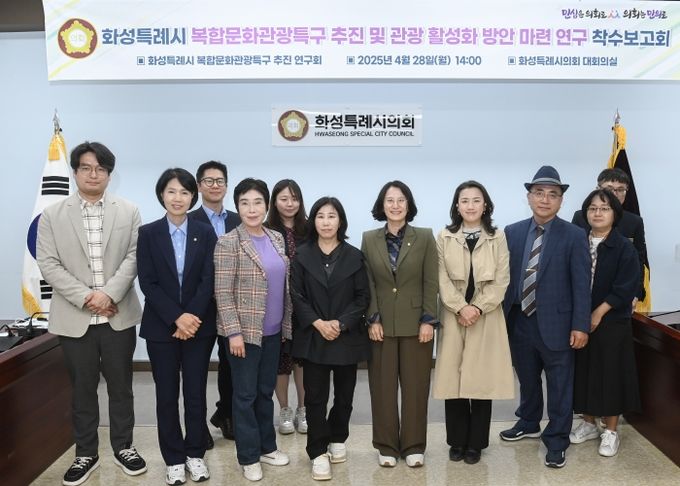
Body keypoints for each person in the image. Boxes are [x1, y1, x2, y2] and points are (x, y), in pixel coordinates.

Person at [37, 141, 147, 486]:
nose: (93, 174)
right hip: (75, 318)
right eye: (86, 167)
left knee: (121, 386)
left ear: (109, 174)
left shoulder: (128, 211)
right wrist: (88, 298)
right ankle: (85, 452)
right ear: (75, 172)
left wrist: (108, 294)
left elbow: (134, 257)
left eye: (100, 169)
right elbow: (48, 264)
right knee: (82, 389)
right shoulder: (52, 215)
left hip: (117, 315)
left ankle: (124, 446)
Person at [500, 165, 591, 469]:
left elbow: (581, 284)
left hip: (558, 324)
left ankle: (556, 439)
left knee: (560, 384)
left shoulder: (574, 235)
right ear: (529, 197)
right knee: (527, 378)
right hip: (519, 319)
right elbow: (504, 279)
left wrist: (580, 325)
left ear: (561, 201)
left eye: (553, 194)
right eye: (539, 193)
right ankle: (528, 422)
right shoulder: (512, 232)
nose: (545, 199)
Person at [137, 168, 217, 485]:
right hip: (161, 328)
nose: (178, 198)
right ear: (162, 195)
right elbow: (148, 282)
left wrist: (191, 317)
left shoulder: (205, 232)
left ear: (193, 196)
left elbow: (208, 279)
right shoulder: (148, 233)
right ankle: (173, 459)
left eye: (184, 192)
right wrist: (177, 318)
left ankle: (195, 454)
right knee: (167, 395)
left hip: (199, 327)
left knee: (195, 393)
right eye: (171, 191)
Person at [214, 178, 291, 482]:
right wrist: (233, 332)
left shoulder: (276, 237)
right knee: (245, 396)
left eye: (257, 202)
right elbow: (222, 292)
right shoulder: (228, 242)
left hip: (273, 331)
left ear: (267, 205)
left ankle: (267, 447)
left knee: (264, 393)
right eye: (244, 203)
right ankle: (248, 456)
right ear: (237, 206)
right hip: (243, 334)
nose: (251, 209)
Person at [432, 181, 514, 465]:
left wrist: (477, 307)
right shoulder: (444, 236)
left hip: (486, 315)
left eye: (476, 200)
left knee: (481, 380)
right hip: (453, 315)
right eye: (464, 200)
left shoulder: (497, 237)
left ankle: (476, 443)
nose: (470, 206)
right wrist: (460, 307)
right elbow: (441, 278)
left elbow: (502, 279)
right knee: (452, 379)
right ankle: (456, 441)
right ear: (457, 206)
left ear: (485, 205)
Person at [290, 197, 370, 481]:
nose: (326, 222)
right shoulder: (301, 255)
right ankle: (317, 451)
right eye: (321, 216)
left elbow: (362, 297)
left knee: (345, 396)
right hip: (314, 336)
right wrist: (318, 323)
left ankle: (338, 438)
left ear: (340, 221)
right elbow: (296, 295)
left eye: (332, 216)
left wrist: (340, 323)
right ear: (313, 221)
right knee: (315, 397)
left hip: (346, 335)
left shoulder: (354, 256)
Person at [361, 181, 437, 468]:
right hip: (380, 326)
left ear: (409, 204)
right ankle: (386, 446)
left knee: (416, 388)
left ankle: (414, 445)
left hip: (417, 325)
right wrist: (372, 318)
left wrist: (429, 319)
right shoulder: (369, 239)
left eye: (401, 200)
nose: (395, 205)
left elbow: (431, 281)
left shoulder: (425, 237)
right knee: (382, 389)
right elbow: (367, 282)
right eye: (389, 200)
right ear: (382, 206)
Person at [569, 189, 641, 457]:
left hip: (612, 321)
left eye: (604, 208)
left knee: (611, 374)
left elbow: (626, 285)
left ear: (615, 214)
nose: (597, 213)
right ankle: (588, 423)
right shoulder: (578, 241)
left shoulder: (623, 246)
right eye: (592, 208)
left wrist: (598, 312)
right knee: (584, 370)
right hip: (579, 317)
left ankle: (610, 430)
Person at [188, 160, 241, 444]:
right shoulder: (188, 219)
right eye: (208, 181)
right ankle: (198, 428)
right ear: (199, 186)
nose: (215, 185)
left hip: (232, 306)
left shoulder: (238, 220)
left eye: (220, 180)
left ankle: (227, 414)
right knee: (196, 370)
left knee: (231, 366)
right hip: (201, 306)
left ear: (226, 185)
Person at [265, 179, 308, 435]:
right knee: (281, 362)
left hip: (305, 304)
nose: (289, 203)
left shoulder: (309, 229)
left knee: (302, 360)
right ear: (274, 202)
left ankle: (303, 409)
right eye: (283, 198)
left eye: (294, 198)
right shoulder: (266, 230)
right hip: (277, 304)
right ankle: (284, 410)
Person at [571, 168, 648, 308]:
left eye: (620, 189)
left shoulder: (635, 222)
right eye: (609, 189)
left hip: (619, 292)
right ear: (598, 189)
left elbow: (639, 259)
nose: (615, 194)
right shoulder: (581, 217)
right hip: (583, 290)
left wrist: (636, 293)